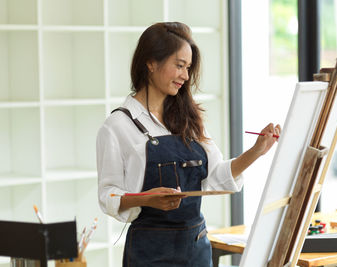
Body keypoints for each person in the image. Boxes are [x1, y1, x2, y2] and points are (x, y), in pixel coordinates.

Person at [96, 21, 281, 267]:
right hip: (150, 254)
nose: (185, 75)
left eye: (188, 67)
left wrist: (256, 151)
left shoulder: (188, 119)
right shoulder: (118, 126)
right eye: (179, 66)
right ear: (151, 63)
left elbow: (216, 176)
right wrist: (145, 199)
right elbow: (108, 196)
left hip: (196, 248)